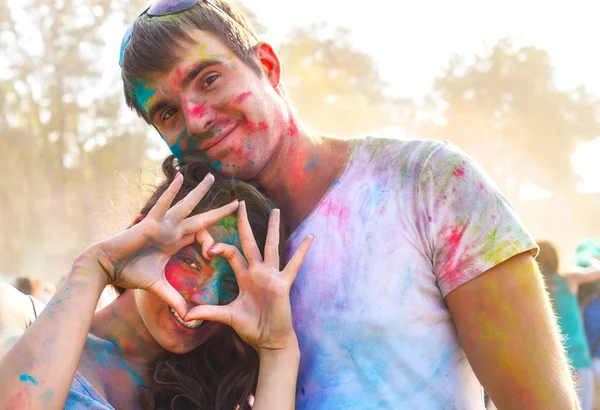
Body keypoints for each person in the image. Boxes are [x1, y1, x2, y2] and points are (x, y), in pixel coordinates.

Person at [118, 0, 579, 407]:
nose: (196, 119)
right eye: (168, 112)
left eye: (210, 78)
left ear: (268, 66)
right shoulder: (197, 266)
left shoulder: (430, 184)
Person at [0, 157, 313, 409]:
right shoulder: (17, 322)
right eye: (191, 262)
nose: (206, 297)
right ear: (138, 237)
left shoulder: (210, 396)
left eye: (232, 285)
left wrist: (277, 349)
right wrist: (96, 265)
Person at [537, 240, 600, 410]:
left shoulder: (533, 290)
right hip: (578, 358)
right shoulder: (568, 278)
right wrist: (590, 257)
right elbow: (597, 271)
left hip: (552, 366)